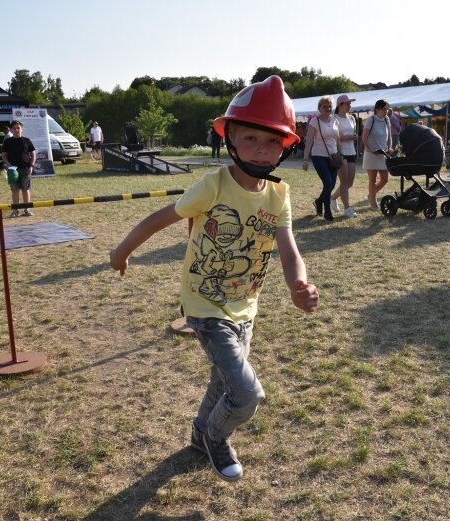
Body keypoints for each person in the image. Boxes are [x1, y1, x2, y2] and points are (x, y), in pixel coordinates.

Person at [109, 75, 319, 483]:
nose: (262, 150)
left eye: (273, 141)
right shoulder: (213, 185)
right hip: (205, 306)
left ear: (287, 145)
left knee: (220, 381)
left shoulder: (279, 195)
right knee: (245, 394)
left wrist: (299, 284)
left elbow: (289, 249)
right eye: (251, 139)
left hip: (246, 306)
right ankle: (214, 438)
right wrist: (121, 252)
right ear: (230, 140)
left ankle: (195, 437)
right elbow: (161, 217)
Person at [302, 95, 341, 221]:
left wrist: (340, 154)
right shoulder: (315, 121)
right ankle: (327, 211)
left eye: (330, 106)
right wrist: (305, 159)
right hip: (319, 156)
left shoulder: (335, 120)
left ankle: (318, 202)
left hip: (333, 157)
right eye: (325, 106)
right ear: (319, 108)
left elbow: (338, 139)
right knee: (328, 183)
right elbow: (308, 141)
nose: (328, 108)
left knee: (331, 185)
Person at [329, 94, 358, 218]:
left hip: (351, 151)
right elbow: (334, 136)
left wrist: (353, 137)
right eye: (347, 103)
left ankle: (332, 198)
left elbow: (353, 133)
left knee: (349, 182)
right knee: (344, 181)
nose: (349, 105)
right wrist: (346, 138)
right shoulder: (334, 118)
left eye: (350, 103)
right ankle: (347, 208)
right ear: (340, 105)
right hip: (340, 152)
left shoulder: (351, 118)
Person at [1, 120, 37, 218]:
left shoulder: (27, 140)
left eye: (18, 128)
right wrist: (9, 165)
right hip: (13, 170)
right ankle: (15, 210)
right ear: (11, 130)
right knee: (15, 190)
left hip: (25, 169)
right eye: (14, 128)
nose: (17, 130)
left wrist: (31, 166)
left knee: (26, 189)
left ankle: (27, 209)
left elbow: (33, 153)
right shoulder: (7, 141)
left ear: (22, 129)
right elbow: (4, 155)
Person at [361, 99, 392, 209]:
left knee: (385, 179)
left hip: (383, 154)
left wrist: (390, 148)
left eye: (387, 109)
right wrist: (372, 149)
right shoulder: (370, 120)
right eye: (384, 109)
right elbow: (364, 138)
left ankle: (371, 194)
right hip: (371, 154)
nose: (386, 111)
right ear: (377, 109)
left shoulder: (387, 119)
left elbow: (389, 136)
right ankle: (374, 203)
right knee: (372, 180)